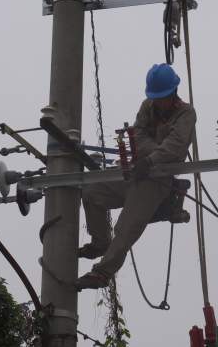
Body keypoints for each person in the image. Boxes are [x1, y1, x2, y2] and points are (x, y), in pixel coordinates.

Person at [75, 63, 197, 290]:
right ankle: (100, 242)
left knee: (126, 225)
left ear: (173, 93)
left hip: (159, 180)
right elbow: (137, 137)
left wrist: (151, 159)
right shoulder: (147, 106)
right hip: (137, 172)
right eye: (156, 97)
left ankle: (102, 273)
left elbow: (176, 147)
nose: (159, 102)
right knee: (92, 192)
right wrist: (152, 153)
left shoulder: (186, 113)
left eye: (162, 97)